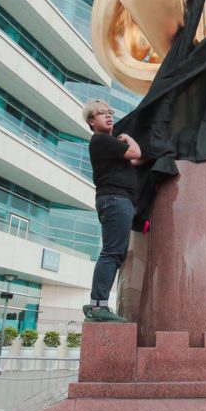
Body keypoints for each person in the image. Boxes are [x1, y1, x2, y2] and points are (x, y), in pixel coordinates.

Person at [81, 99, 141, 322]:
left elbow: (135, 161)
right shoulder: (101, 140)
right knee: (112, 251)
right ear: (91, 121)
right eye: (101, 113)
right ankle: (98, 307)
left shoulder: (107, 145)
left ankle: (98, 305)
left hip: (118, 201)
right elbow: (135, 152)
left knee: (115, 251)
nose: (108, 116)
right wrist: (128, 139)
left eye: (109, 112)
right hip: (115, 200)